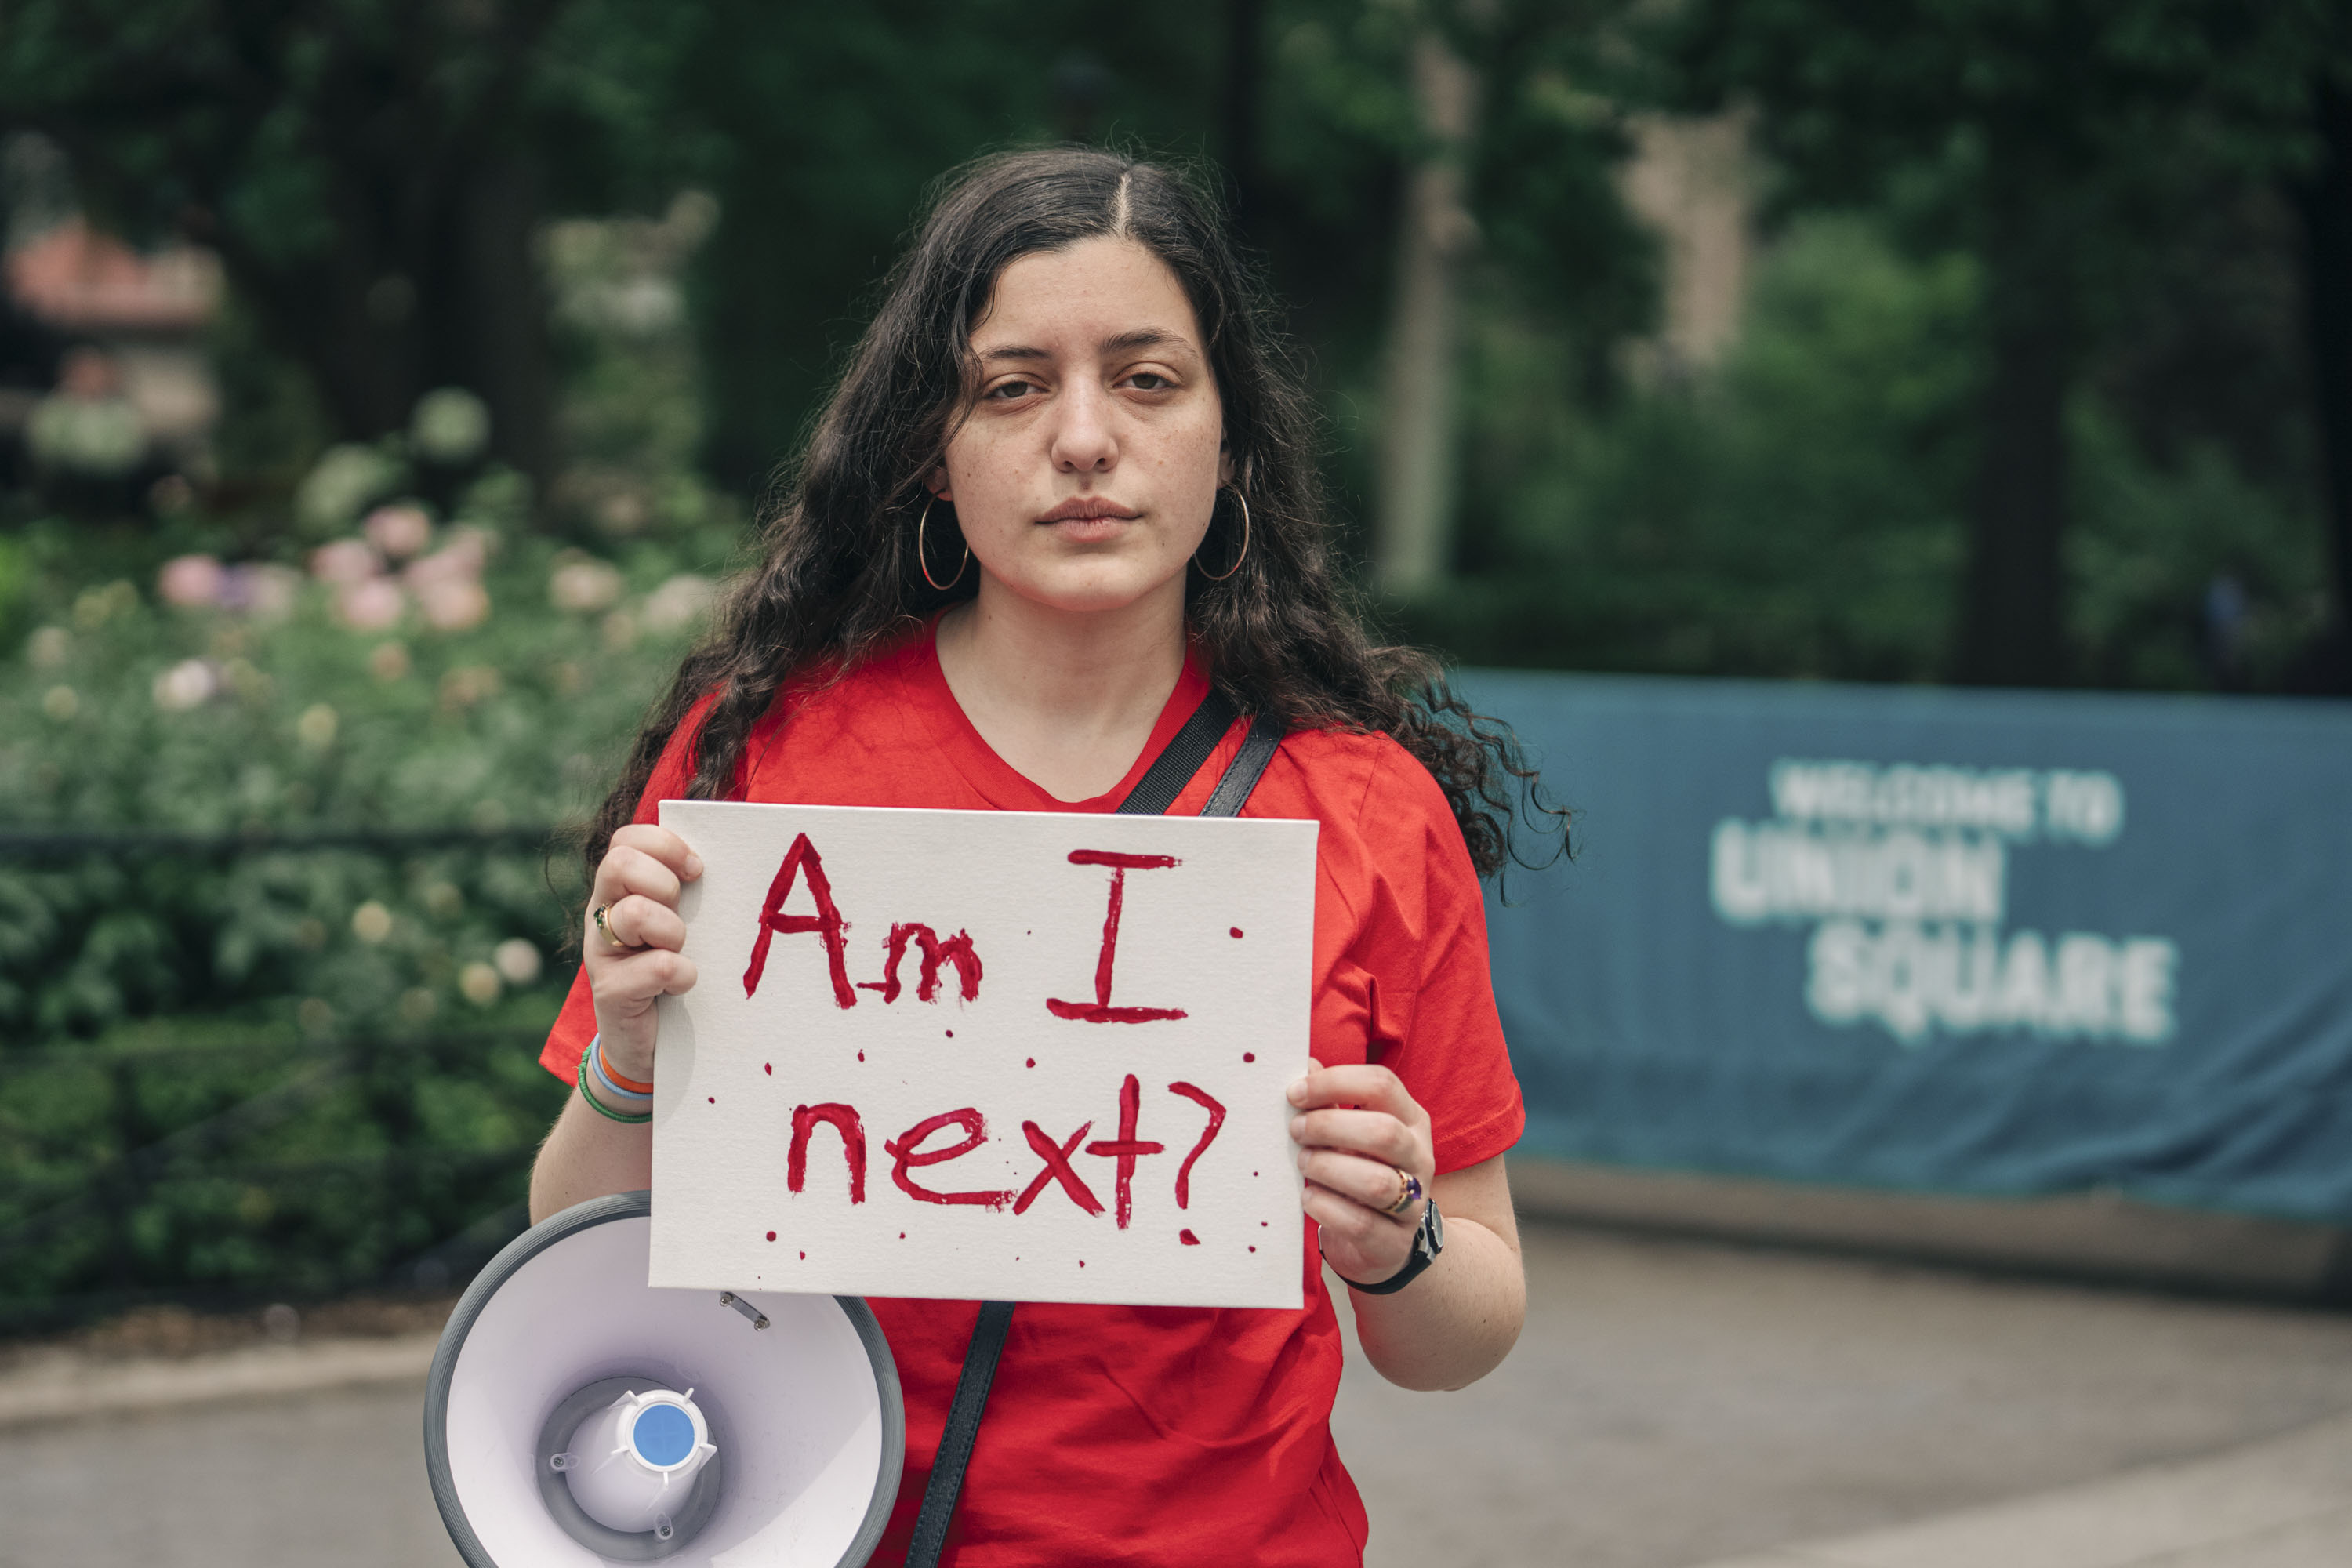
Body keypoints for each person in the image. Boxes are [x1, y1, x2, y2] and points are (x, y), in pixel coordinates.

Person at [529, 147, 1546, 1566]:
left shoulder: (1366, 809)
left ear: (1228, 438)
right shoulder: (763, 755)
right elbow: (577, 1239)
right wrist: (629, 1051)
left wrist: (1403, 1240)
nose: (1083, 439)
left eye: (1146, 380)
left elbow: (1458, 1339)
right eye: (1012, 387)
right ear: (933, 451)